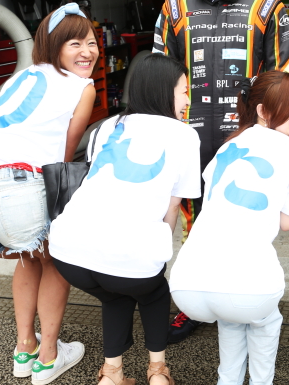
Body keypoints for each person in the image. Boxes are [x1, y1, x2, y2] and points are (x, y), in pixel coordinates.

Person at [152, 0, 289, 342]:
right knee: (193, 227)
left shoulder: (268, 8)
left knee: (247, 226)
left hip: (246, 143)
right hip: (188, 140)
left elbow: (282, 82)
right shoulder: (174, 8)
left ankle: (244, 296)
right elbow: (159, 79)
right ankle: (193, 304)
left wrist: (276, 141)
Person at [0, 3, 96, 384]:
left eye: (92, 43)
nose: (88, 52)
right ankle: (48, 357)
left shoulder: (20, 78)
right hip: (15, 195)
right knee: (56, 260)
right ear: (54, 46)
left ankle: (25, 347)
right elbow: (62, 161)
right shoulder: (82, 87)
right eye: (75, 44)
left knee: (30, 258)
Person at [49, 55, 200, 385]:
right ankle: (158, 372)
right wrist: (155, 252)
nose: (188, 100)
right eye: (184, 91)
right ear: (164, 91)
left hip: (65, 251)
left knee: (115, 291)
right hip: (124, 256)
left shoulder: (108, 126)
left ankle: (112, 373)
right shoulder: (185, 135)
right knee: (152, 289)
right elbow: (173, 206)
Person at [168, 71, 289, 385]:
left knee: (232, 318)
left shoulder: (226, 147)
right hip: (248, 290)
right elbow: (287, 223)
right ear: (262, 110)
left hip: (186, 284)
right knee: (263, 318)